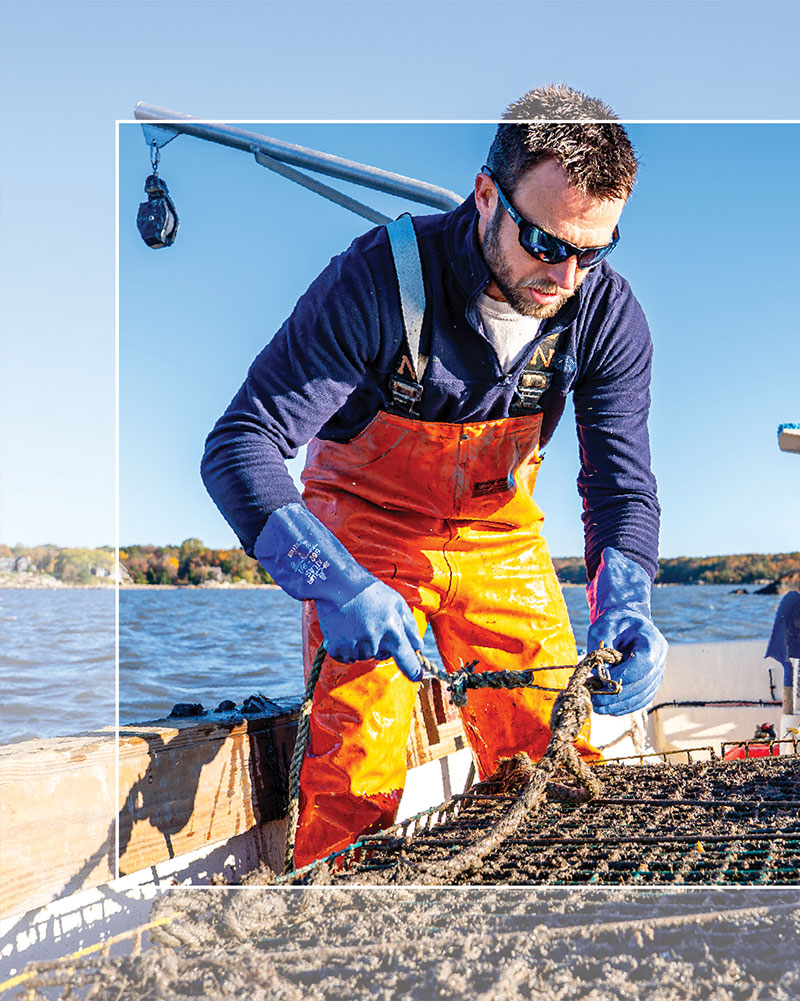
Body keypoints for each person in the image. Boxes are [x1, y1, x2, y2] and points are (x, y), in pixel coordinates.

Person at [202, 84, 667, 869]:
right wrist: (332, 581)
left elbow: (619, 487)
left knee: (555, 763)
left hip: (500, 542)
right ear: (487, 197)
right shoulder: (375, 284)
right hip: (364, 536)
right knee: (354, 765)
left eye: (595, 251)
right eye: (547, 244)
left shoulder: (607, 316)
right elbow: (240, 445)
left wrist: (627, 603)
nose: (568, 276)